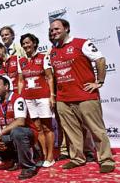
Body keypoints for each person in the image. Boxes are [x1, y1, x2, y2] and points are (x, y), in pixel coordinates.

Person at [49, 18, 115, 173]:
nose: (54, 32)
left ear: (66, 29)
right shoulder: (52, 51)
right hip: (64, 99)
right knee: (71, 132)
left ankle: (106, 159)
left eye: (57, 29)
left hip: (85, 95)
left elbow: (100, 59)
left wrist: (99, 81)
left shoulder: (81, 43)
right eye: (52, 30)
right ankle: (78, 158)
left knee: (97, 130)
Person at [0, 76, 39, 180]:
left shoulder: (17, 98)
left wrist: (0, 134)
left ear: (6, 86)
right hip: (7, 135)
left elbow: (20, 121)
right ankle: (11, 158)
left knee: (17, 132)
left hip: (26, 133)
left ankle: (28, 167)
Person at [18, 33, 55, 168]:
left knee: (46, 127)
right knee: (37, 128)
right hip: (28, 98)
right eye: (24, 43)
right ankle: (44, 155)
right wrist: (19, 97)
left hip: (43, 96)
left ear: (34, 43)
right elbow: (21, 81)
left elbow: (50, 78)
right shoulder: (20, 61)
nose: (26, 45)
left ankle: (51, 156)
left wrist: (52, 96)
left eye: (28, 42)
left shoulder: (43, 57)